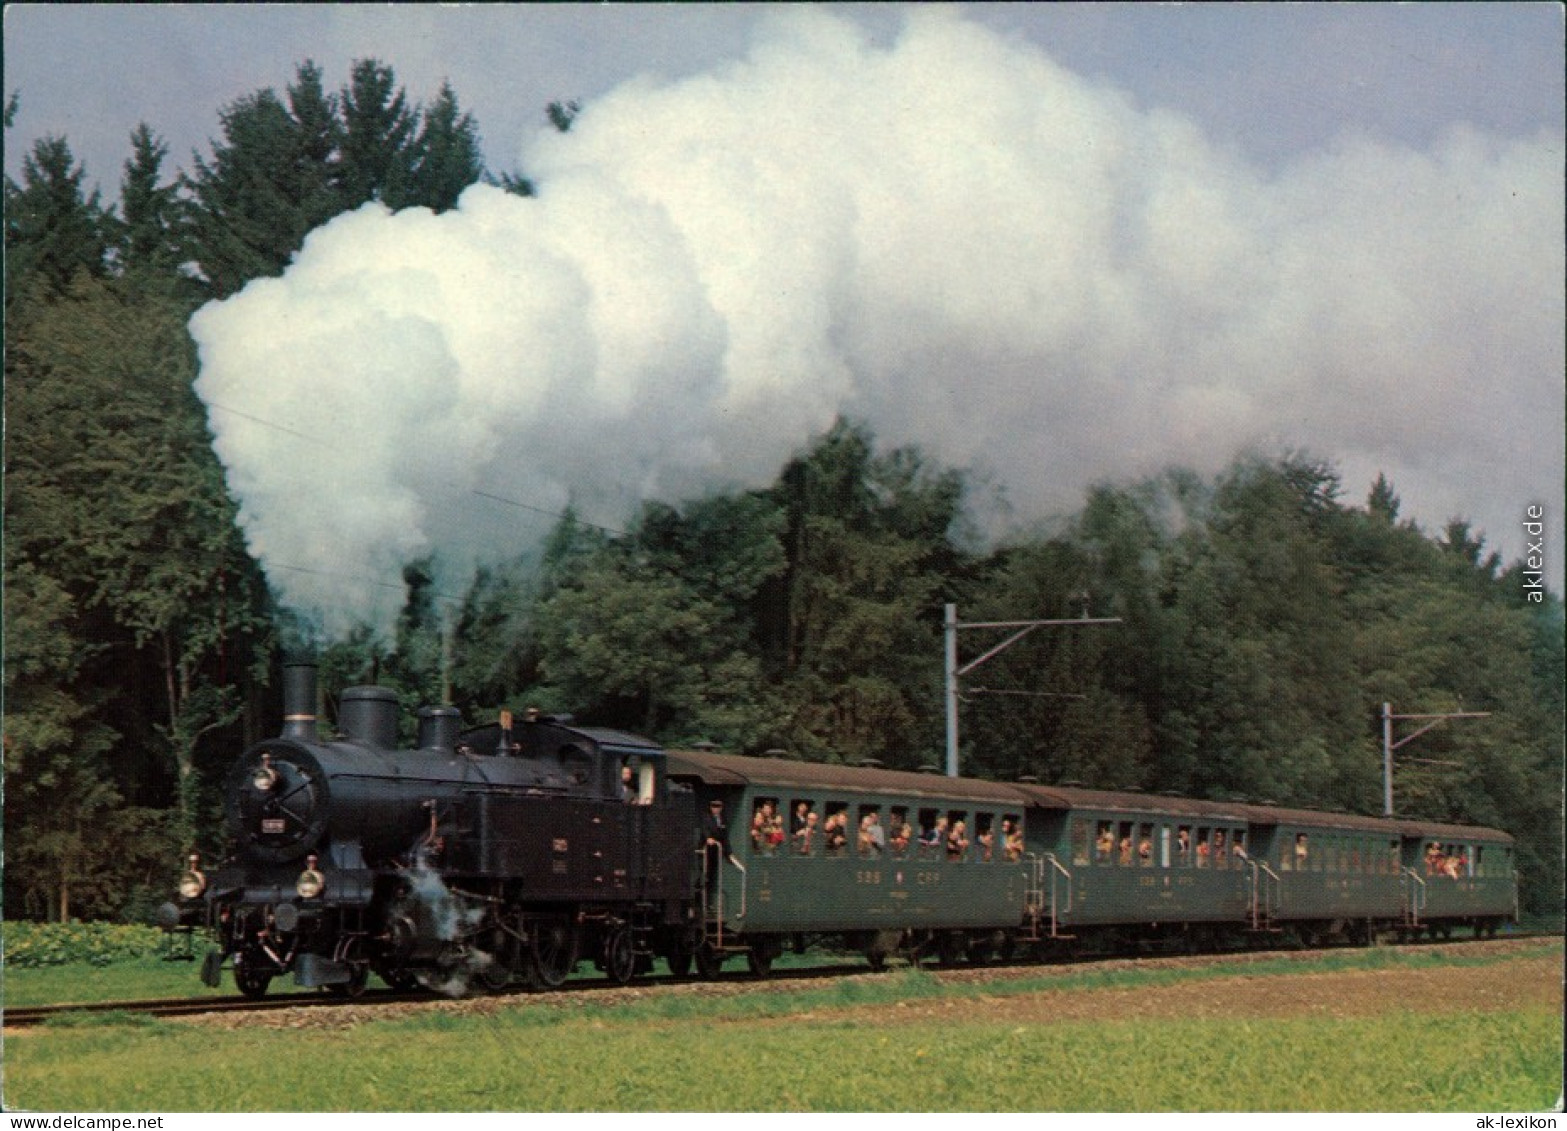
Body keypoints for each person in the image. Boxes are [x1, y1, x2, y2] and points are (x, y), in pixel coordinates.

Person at [703, 799, 735, 893]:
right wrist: (708, 838)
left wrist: (729, 853)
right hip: (706, 851)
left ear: (721, 808)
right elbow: (705, 829)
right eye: (713, 806)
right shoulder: (706, 817)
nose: (715, 809)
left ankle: (708, 901)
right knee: (704, 874)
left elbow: (725, 837)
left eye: (718, 807)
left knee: (712, 876)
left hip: (716, 852)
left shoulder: (723, 819)